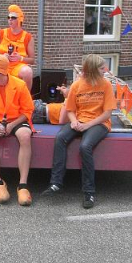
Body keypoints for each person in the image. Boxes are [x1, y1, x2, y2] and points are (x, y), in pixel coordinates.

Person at [41, 54, 117, 209]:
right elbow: (70, 109)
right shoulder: (77, 85)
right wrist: (74, 121)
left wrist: (87, 125)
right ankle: (56, 183)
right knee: (60, 138)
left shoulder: (106, 85)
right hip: (80, 120)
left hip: (99, 122)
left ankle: (89, 192)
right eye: (102, 68)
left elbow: (107, 113)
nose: (105, 70)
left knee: (85, 146)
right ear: (93, 70)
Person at [0, 54, 34, 206]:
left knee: (25, 135)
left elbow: (27, 111)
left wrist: (11, 125)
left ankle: (23, 185)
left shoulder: (20, 85)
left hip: (17, 119)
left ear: (0, 71)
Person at [0, 4, 35, 90]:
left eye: (13, 18)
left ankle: (26, 96)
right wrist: (2, 56)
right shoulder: (1, 33)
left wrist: (20, 58)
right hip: (0, 64)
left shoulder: (28, 37)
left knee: (27, 72)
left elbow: (32, 60)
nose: (10, 20)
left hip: (17, 66)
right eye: (8, 17)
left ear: (20, 19)